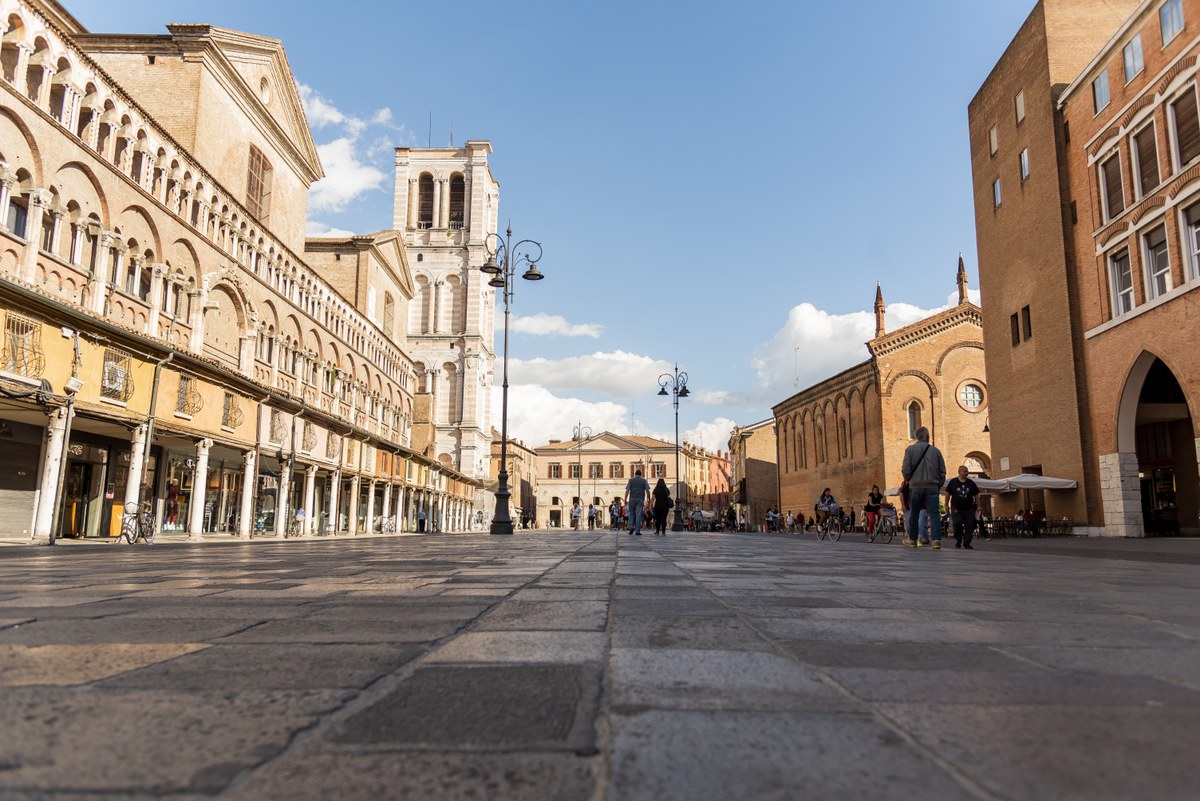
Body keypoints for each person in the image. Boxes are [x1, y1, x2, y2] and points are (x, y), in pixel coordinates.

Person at [901, 426, 947, 549]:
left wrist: (909, 479)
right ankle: (936, 540)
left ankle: (913, 540)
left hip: (915, 486)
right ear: (927, 437)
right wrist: (939, 484)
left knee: (914, 513)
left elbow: (905, 469)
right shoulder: (936, 451)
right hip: (932, 486)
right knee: (934, 513)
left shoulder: (910, 450)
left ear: (917, 436)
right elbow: (942, 471)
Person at [946, 465, 981, 549]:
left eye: (967, 471)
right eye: (965, 471)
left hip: (969, 508)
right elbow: (948, 493)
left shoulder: (971, 483)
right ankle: (958, 539)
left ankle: (967, 543)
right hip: (956, 508)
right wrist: (946, 504)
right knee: (957, 523)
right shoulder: (953, 482)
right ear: (959, 472)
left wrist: (979, 505)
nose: (967, 473)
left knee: (969, 525)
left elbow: (976, 495)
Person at [624, 469, 651, 535]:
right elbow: (647, 491)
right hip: (640, 499)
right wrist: (648, 498)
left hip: (632, 499)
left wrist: (625, 499)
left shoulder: (631, 480)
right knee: (639, 515)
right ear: (640, 474)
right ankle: (637, 531)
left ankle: (631, 527)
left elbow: (627, 490)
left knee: (631, 513)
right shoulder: (644, 480)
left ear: (635, 474)